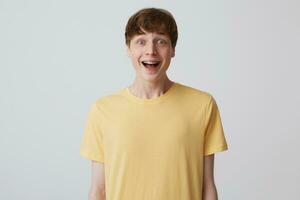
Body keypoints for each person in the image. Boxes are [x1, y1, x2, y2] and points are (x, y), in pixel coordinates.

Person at [80, 7, 229, 200]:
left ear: (173, 49)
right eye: (140, 41)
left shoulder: (203, 105)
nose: (151, 50)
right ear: (128, 49)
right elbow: (99, 189)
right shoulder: (103, 110)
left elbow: (207, 186)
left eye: (161, 41)